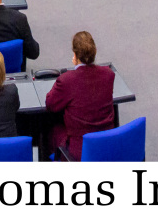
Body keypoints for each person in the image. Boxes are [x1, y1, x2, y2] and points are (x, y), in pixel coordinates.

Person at [44, 30, 117, 161]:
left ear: (75, 55)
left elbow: (50, 104)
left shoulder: (66, 80)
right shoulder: (108, 74)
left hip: (78, 152)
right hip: (106, 146)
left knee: (50, 131)